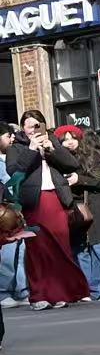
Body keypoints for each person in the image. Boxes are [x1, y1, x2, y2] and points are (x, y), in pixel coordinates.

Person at [6, 110, 89, 310]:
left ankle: (60, 292)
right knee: (37, 248)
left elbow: (72, 164)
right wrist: (32, 149)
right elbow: (14, 170)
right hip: (33, 201)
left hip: (55, 198)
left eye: (37, 125)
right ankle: (39, 294)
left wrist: (53, 149)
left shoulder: (52, 141)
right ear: (23, 128)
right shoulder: (16, 147)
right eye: (29, 125)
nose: (33, 129)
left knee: (60, 245)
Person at [58, 125, 100, 300]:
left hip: (95, 205)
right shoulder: (59, 160)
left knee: (98, 247)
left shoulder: (92, 156)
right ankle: (89, 288)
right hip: (74, 208)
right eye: (64, 140)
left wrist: (80, 179)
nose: (69, 142)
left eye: (72, 138)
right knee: (80, 249)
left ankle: (98, 290)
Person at [0, 125, 27, 308]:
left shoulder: (12, 156)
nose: (11, 139)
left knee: (21, 248)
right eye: (6, 135)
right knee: (7, 253)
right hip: (3, 210)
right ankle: (3, 292)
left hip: (16, 208)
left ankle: (21, 289)